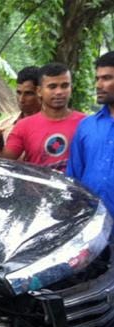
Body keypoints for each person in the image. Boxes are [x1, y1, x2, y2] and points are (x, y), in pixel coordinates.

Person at [0, 63, 85, 170]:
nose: (59, 92)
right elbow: (1, 165)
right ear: (39, 91)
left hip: (74, 187)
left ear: (71, 88)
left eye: (65, 86)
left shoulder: (85, 123)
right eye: (52, 87)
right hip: (34, 187)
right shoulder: (23, 126)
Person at [67, 52, 114, 213]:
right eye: (97, 78)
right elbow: (74, 178)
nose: (99, 85)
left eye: (107, 78)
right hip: (92, 224)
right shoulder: (87, 126)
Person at [0, 66, 42, 144]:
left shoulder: (51, 126)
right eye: (19, 93)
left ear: (40, 92)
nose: (21, 99)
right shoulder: (3, 126)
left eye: (28, 93)